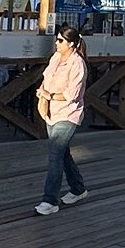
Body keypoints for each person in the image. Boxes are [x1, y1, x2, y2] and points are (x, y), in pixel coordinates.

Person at [33, 25, 89, 215]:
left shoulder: (78, 64)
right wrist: (43, 94)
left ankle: (50, 200)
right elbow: (46, 77)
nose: (56, 43)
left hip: (69, 113)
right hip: (51, 112)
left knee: (55, 154)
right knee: (62, 153)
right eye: (56, 39)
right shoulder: (55, 58)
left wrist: (49, 95)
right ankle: (78, 188)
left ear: (71, 44)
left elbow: (71, 95)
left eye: (60, 40)